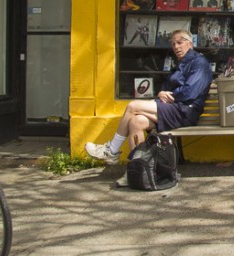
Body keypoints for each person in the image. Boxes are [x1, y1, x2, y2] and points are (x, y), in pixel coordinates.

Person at [86, 29, 213, 166]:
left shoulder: (199, 63)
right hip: (172, 109)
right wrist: (161, 93)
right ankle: (139, 169)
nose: (176, 47)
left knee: (132, 106)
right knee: (136, 121)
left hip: (186, 112)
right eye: (173, 44)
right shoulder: (180, 64)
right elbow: (167, 87)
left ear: (190, 43)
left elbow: (190, 92)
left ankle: (112, 150)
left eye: (179, 43)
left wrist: (170, 95)